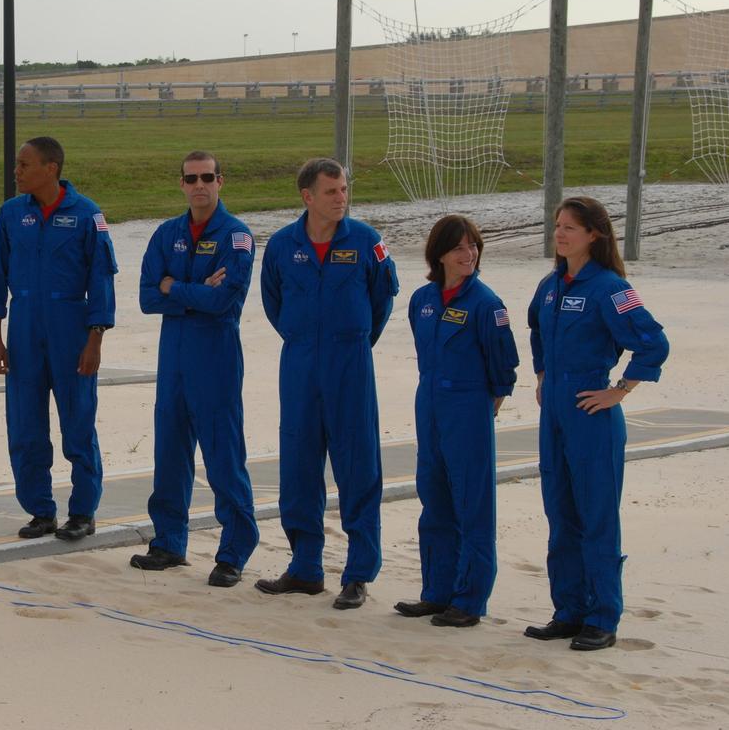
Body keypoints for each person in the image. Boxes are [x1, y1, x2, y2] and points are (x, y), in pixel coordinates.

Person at [524, 196, 669, 651]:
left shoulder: (609, 288)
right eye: (558, 226)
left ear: (594, 234)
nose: (561, 234)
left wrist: (620, 389)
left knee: (596, 516)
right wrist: (544, 374)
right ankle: (568, 610)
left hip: (592, 414)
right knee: (560, 513)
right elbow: (535, 329)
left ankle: (603, 616)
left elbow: (653, 344)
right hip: (555, 415)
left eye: (570, 227)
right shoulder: (550, 285)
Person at [255, 158, 398, 609]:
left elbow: (382, 299)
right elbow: (273, 302)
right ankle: (304, 568)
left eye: (344, 190)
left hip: (349, 361)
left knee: (358, 467)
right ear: (308, 197)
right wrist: (304, 339)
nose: (341, 198)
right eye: (331, 191)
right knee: (298, 464)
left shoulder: (367, 241)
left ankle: (357, 573)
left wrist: (352, 341)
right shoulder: (281, 245)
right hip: (299, 362)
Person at [129, 151, 260, 588]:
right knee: (169, 453)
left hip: (216, 356)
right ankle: (168, 541)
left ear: (221, 181)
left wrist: (174, 287)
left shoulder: (237, 236)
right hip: (174, 358)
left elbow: (223, 301)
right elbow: (148, 297)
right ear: (181, 184)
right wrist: (193, 291)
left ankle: (234, 551)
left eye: (207, 177)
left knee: (223, 456)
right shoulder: (166, 234)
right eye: (191, 178)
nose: (199, 185)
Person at [0, 136, 118, 541]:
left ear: (51, 168)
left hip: (70, 328)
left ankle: (83, 511)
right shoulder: (9, 215)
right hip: (23, 328)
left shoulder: (87, 215)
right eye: (17, 165)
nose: (16, 171)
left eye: (24, 165)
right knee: (25, 425)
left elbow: (101, 281)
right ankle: (40, 510)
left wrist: (95, 339)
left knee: (77, 423)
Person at [394, 215, 518, 628]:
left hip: (468, 406)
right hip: (429, 402)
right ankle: (437, 592)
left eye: (473, 247)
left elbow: (503, 368)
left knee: (472, 504)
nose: (469, 255)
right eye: (459, 248)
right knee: (434, 498)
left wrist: (485, 409)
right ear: (440, 254)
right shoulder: (422, 300)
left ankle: (469, 598)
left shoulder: (487, 304)